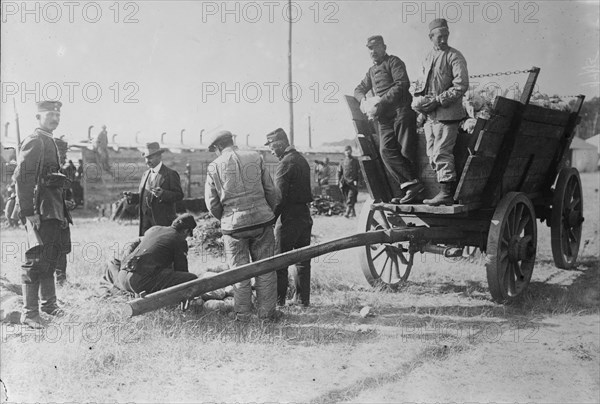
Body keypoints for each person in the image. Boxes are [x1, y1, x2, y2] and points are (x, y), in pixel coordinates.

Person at [205, 131, 280, 320]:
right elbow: (271, 190)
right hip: (262, 221)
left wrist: (227, 217)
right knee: (266, 268)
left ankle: (243, 315)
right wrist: (267, 212)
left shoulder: (214, 166)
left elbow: (211, 203)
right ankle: (267, 314)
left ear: (217, 147)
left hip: (233, 226)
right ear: (232, 141)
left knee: (239, 272)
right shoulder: (256, 156)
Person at [13, 101, 74, 328]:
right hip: (40, 211)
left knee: (50, 257)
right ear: (38, 117)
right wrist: (29, 212)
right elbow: (23, 178)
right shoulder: (35, 141)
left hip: (53, 210)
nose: (55, 117)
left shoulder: (49, 140)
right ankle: (29, 313)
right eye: (50, 114)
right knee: (35, 260)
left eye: (58, 114)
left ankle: (49, 304)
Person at [354, 35, 424, 204]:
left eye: (376, 47)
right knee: (385, 151)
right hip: (384, 118)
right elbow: (359, 89)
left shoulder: (394, 62)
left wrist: (380, 102)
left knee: (405, 151)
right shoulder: (371, 71)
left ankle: (413, 192)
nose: (373, 52)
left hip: (400, 111)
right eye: (370, 49)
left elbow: (401, 84)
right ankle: (411, 185)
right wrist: (363, 100)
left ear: (384, 47)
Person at [415, 18, 469, 206]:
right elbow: (422, 87)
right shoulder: (427, 58)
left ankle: (446, 194)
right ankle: (442, 190)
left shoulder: (454, 56)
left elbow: (461, 85)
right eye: (440, 37)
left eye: (446, 36)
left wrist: (438, 100)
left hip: (448, 115)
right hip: (431, 117)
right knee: (431, 154)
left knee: (441, 152)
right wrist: (421, 109)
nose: (444, 40)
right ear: (430, 37)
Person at [265, 128, 313, 307]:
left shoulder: (285, 163)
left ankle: (279, 303)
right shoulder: (301, 159)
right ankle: (302, 301)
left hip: (289, 218)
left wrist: (270, 220)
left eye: (271, 146)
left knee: (280, 262)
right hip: (304, 216)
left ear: (279, 144)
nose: (271, 150)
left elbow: (279, 198)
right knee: (302, 261)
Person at [106, 214, 198, 295]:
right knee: (191, 279)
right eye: (188, 234)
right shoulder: (179, 240)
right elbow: (182, 270)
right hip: (139, 282)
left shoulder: (154, 229)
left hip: (122, 276)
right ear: (186, 231)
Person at [124, 142, 184, 236]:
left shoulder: (170, 174)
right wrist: (133, 197)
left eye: (150, 158)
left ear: (159, 157)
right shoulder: (145, 174)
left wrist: (163, 194)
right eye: (146, 158)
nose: (147, 161)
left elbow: (179, 195)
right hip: (145, 224)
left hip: (162, 223)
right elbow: (144, 196)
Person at [338, 145, 361, 218]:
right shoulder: (342, 162)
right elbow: (339, 172)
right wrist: (339, 182)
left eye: (349, 150)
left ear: (351, 151)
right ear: (344, 152)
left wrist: (358, 181)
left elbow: (359, 172)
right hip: (345, 183)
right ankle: (353, 212)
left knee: (351, 197)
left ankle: (347, 213)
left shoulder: (355, 161)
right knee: (347, 198)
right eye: (346, 150)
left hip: (353, 182)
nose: (347, 152)